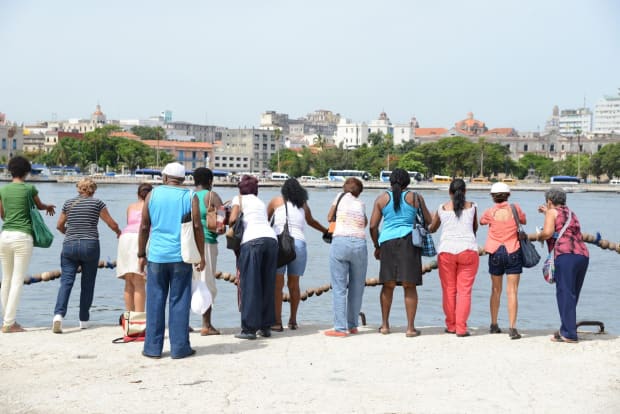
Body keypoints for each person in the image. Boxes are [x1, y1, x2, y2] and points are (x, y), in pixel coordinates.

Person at [138, 162, 205, 359]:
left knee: (155, 300)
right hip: (181, 256)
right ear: (184, 179)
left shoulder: (152, 195)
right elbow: (197, 227)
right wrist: (200, 255)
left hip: (157, 256)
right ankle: (179, 347)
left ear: (164, 177)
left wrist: (141, 254)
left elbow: (143, 226)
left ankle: (152, 348)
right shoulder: (189, 196)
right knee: (179, 301)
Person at [52, 178, 121, 333]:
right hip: (90, 245)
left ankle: (58, 316)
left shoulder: (68, 203)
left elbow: (59, 225)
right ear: (93, 190)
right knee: (88, 283)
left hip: (69, 245)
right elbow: (111, 223)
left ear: (78, 189)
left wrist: (68, 233)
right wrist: (118, 232)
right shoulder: (97, 203)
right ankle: (83, 319)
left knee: (66, 282)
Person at [369, 169, 431, 337]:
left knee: (387, 285)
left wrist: (377, 245)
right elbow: (429, 220)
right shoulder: (415, 197)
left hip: (387, 243)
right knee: (409, 286)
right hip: (409, 242)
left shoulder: (381, 199)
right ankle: (410, 328)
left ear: (390, 182)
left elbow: (373, 226)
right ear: (407, 182)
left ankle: (384, 326)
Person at [0, 156, 56, 333]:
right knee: (17, 280)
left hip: (5, 235)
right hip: (22, 237)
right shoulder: (29, 188)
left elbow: (2, 214)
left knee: (6, 280)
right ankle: (9, 323)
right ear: (26, 172)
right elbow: (38, 206)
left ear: (10, 171)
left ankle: (8, 320)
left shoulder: (3, 190)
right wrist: (48, 207)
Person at [267, 178, 328, 332]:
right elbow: (311, 221)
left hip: (280, 244)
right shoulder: (303, 204)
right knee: (294, 284)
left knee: (278, 286)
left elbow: (265, 220)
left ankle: (277, 322)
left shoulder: (275, 201)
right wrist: (325, 231)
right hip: (299, 245)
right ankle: (293, 321)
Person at [530, 188, 589, 343]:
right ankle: (566, 328)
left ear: (549, 201)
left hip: (566, 255)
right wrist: (547, 212)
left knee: (564, 293)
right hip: (582, 255)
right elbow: (563, 226)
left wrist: (539, 235)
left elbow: (548, 232)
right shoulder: (571, 213)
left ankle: (569, 334)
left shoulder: (551, 212)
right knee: (571, 294)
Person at [228, 174, 278, 340]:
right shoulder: (260, 202)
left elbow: (234, 218)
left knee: (250, 284)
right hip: (271, 241)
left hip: (252, 242)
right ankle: (265, 326)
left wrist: (229, 219)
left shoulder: (238, 199)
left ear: (240, 189)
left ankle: (249, 329)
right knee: (266, 283)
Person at [427, 178, 479, 337]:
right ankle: (461, 328)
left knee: (449, 290)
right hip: (468, 250)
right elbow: (474, 228)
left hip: (446, 252)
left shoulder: (442, 208)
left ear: (449, 192)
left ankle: (451, 325)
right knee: (464, 291)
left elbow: (433, 228)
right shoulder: (472, 207)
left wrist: (431, 218)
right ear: (465, 192)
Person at [479, 182, 526, 340]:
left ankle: (493, 324)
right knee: (512, 291)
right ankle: (512, 328)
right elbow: (524, 220)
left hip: (495, 252)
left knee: (495, 290)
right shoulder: (515, 208)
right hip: (513, 250)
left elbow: (481, 222)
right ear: (508, 195)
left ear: (493, 196)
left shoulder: (489, 211)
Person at [325, 177, 367, 337]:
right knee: (357, 287)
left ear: (345, 188)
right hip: (360, 243)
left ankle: (340, 328)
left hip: (341, 241)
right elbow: (364, 222)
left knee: (339, 287)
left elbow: (330, 216)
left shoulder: (339, 197)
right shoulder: (361, 204)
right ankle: (353, 325)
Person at [192, 167, 225, 336]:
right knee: (207, 281)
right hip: (207, 242)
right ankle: (206, 325)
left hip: (189, 244)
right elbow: (221, 225)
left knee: (190, 282)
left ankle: (184, 322)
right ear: (210, 181)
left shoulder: (188, 196)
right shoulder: (212, 196)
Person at [116, 183, 153, 312]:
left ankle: (129, 318)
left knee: (129, 279)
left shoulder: (130, 207)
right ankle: (139, 319)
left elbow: (129, 223)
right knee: (139, 280)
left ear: (138, 194)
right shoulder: (151, 206)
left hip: (125, 238)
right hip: (141, 238)